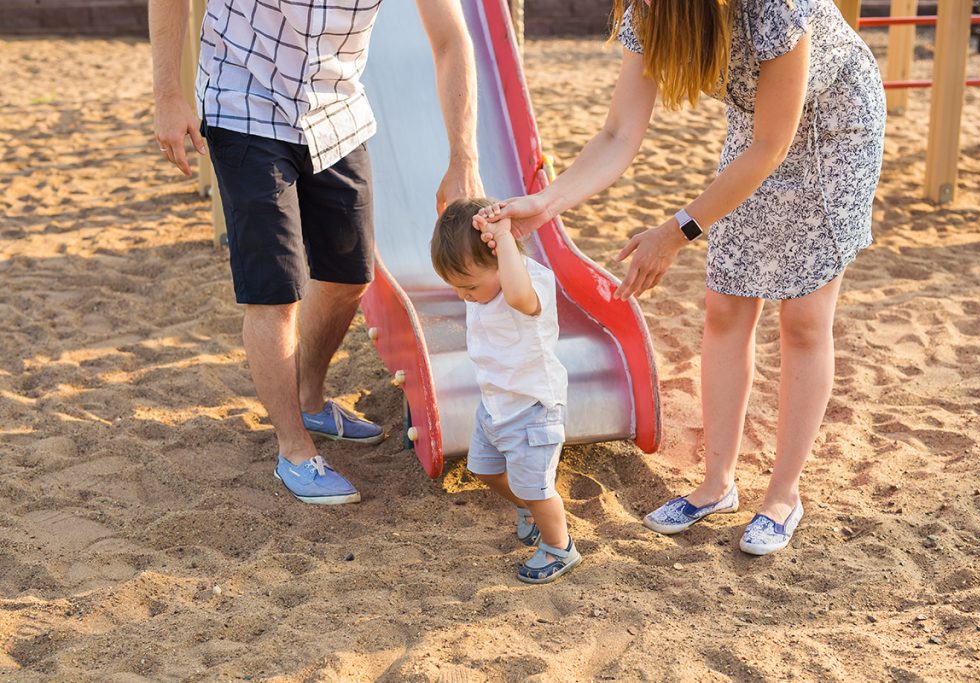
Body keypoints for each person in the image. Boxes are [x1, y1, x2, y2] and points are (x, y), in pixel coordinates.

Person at [477, 0, 886, 555]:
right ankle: (717, 485)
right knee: (726, 308)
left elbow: (773, 146)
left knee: (805, 321)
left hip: (836, 128)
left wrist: (675, 232)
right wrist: (547, 203)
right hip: (758, 128)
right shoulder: (648, 11)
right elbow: (620, 133)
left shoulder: (773, 9)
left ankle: (783, 495)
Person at [149, 0, 484, 504]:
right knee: (275, 293)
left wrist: (463, 157)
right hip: (244, 105)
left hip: (337, 111)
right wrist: (168, 94)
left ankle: (309, 400)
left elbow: (451, 40)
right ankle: (294, 450)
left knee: (351, 275)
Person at [431, 199, 580, 584]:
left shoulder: (530, 284)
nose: (463, 295)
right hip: (496, 403)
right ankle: (528, 508)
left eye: (469, 286)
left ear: (502, 259)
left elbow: (517, 297)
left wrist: (502, 236)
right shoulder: (484, 286)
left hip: (532, 408)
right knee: (483, 469)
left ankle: (559, 547)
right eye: (456, 288)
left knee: (538, 487)